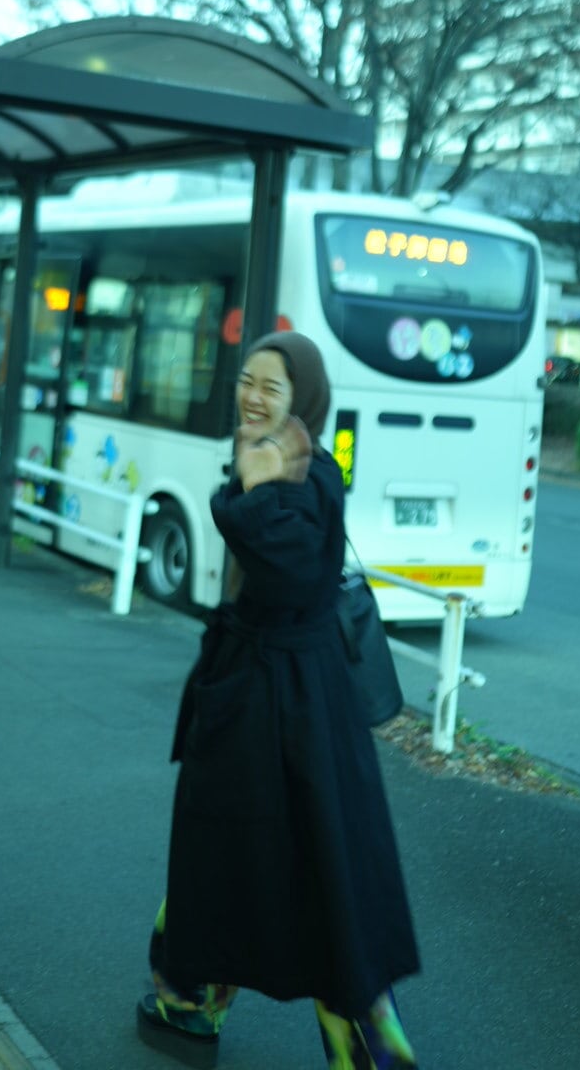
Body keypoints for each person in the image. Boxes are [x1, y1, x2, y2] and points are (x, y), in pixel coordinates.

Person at [137, 330, 420, 1069]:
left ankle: (369, 1051)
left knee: (319, 874)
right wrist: (251, 480)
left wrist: (255, 487)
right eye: (247, 380)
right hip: (257, 695)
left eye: (272, 387)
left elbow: (292, 574)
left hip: (292, 707)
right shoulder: (272, 459)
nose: (253, 397)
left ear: (305, 400)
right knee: (223, 855)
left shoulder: (307, 474)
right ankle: (188, 1001)